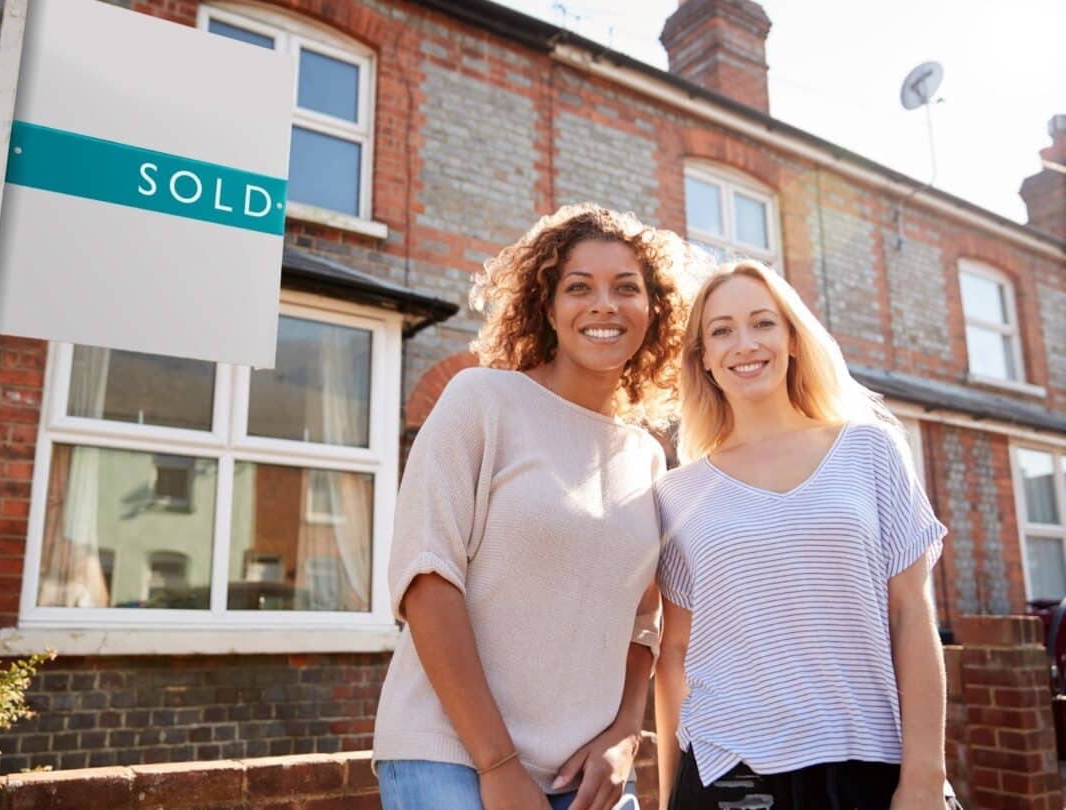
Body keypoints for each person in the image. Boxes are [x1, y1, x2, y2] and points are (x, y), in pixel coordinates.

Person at [372, 204, 688, 810]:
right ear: (547, 307)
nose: (604, 305)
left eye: (626, 288)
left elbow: (643, 624)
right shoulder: (481, 401)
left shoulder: (647, 456)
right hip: (452, 756)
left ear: (654, 311)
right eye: (579, 288)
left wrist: (625, 734)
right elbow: (425, 576)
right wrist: (498, 764)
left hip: (584, 776)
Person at [653, 259, 959, 810]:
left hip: (869, 764)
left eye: (763, 323)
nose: (744, 343)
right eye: (721, 330)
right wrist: (668, 795)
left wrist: (924, 777)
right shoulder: (679, 493)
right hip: (728, 773)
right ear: (703, 361)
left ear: (793, 339)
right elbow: (674, 652)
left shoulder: (870, 450)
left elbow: (911, 614)